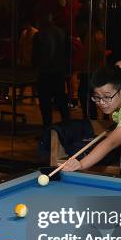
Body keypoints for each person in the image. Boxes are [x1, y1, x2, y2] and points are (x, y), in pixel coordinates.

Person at [33, 12, 69, 146]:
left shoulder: (40, 35)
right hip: (57, 73)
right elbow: (67, 53)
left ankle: (48, 131)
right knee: (61, 102)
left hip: (46, 73)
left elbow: (36, 57)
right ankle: (65, 129)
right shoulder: (61, 33)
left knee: (46, 105)